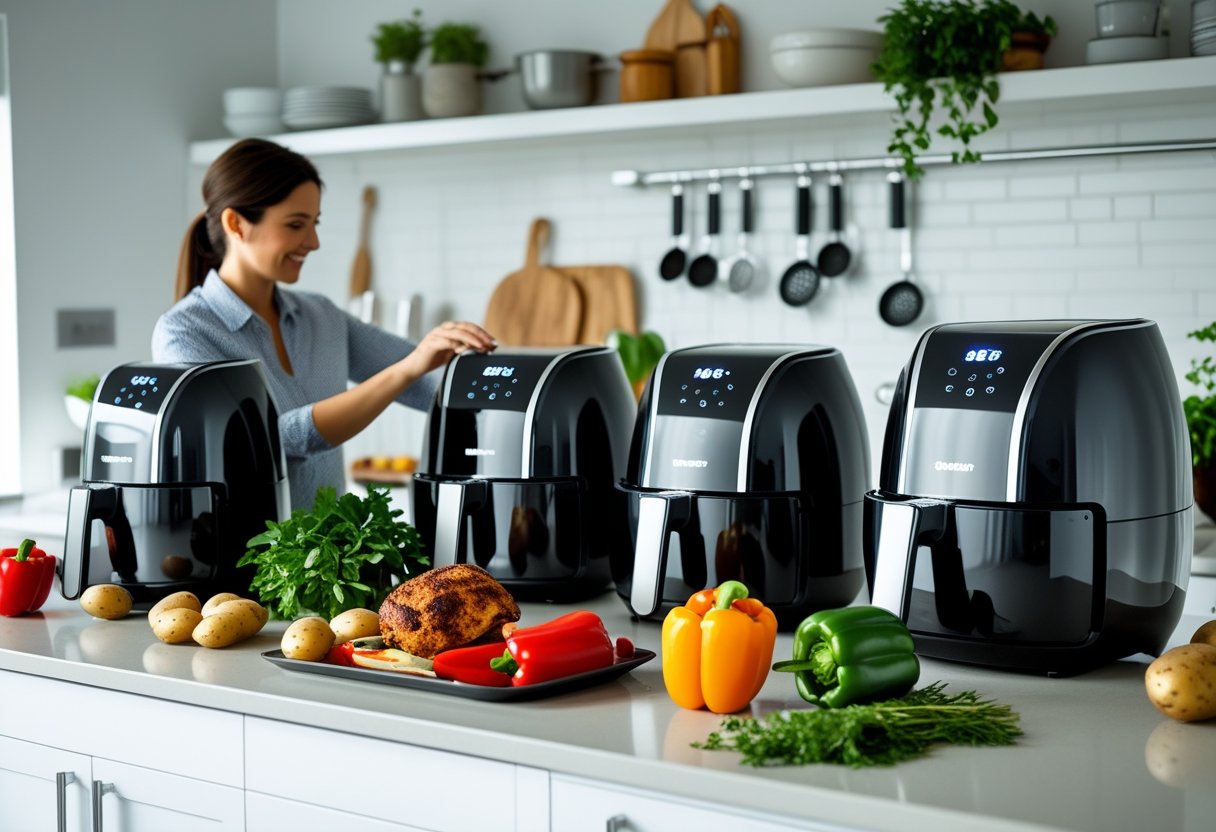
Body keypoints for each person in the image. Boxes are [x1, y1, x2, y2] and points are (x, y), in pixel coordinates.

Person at [152, 138, 495, 510]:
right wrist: (409, 367)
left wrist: (517, 392)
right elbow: (271, 440)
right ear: (236, 223)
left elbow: (430, 385)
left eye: (314, 223)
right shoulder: (185, 333)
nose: (313, 242)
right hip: (254, 566)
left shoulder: (321, 316)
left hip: (338, 558)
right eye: (296, 224)